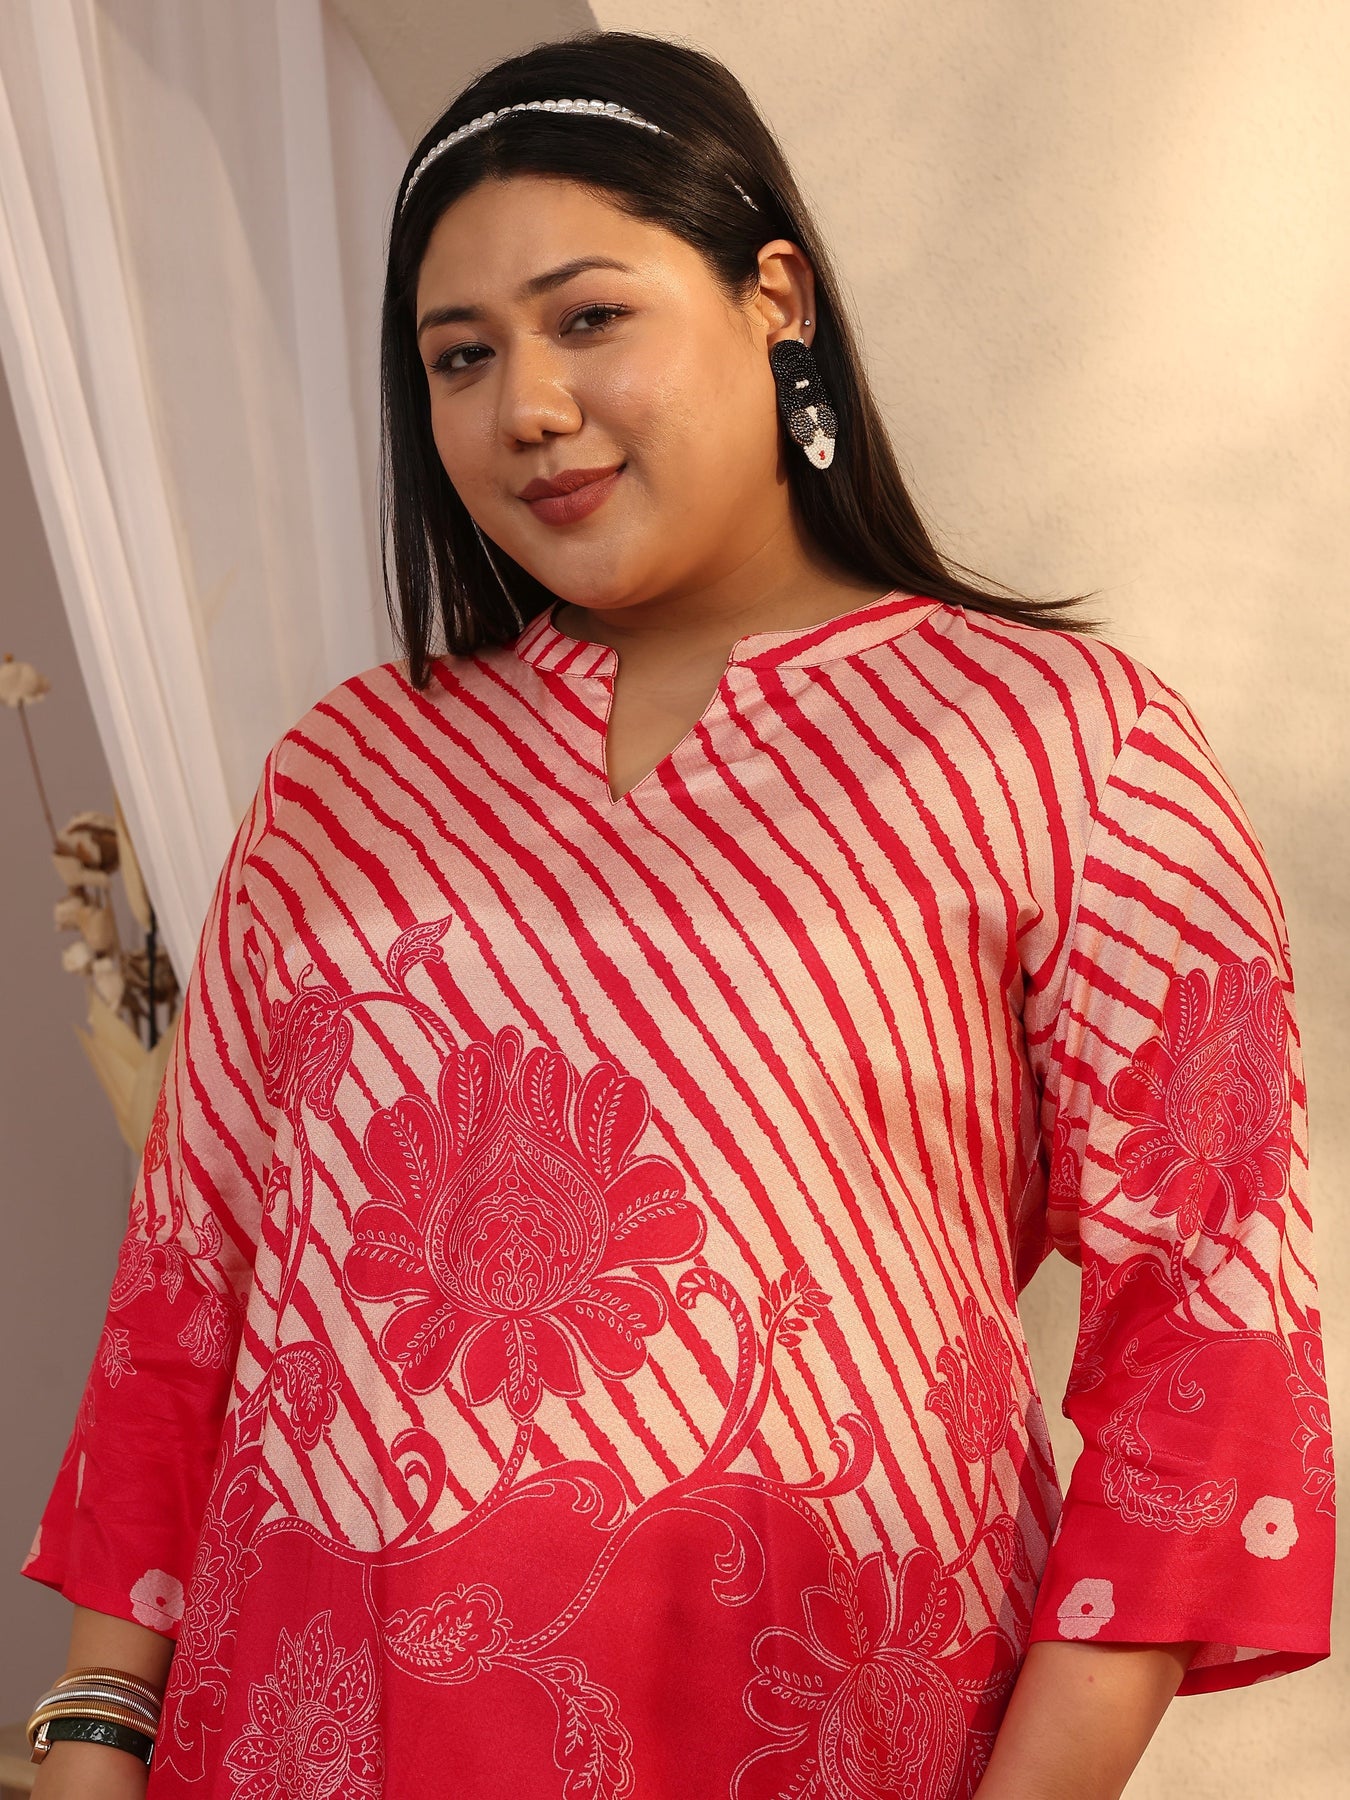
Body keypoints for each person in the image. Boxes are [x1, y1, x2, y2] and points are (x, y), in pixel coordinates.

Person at [22, 28, 1335, 1800]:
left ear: (772, 296)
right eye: (460, 356)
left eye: (587, 318)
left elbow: (1210, 1333)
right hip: (301, 1744)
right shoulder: (348, 775)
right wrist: (95, 1723)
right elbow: (190, 1286)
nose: (526, 406)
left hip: (823, 1729)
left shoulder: (1058, 746)